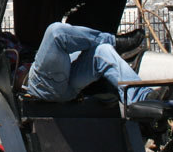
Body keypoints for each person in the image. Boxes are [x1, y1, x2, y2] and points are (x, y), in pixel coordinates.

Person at [23, 22, 156, 104]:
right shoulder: (2, 47)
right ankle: (114, 41)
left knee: (102, 50)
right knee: (56, 32)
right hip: (35, 83)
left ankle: (141, 97)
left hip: (62, 82)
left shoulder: (9, 39)